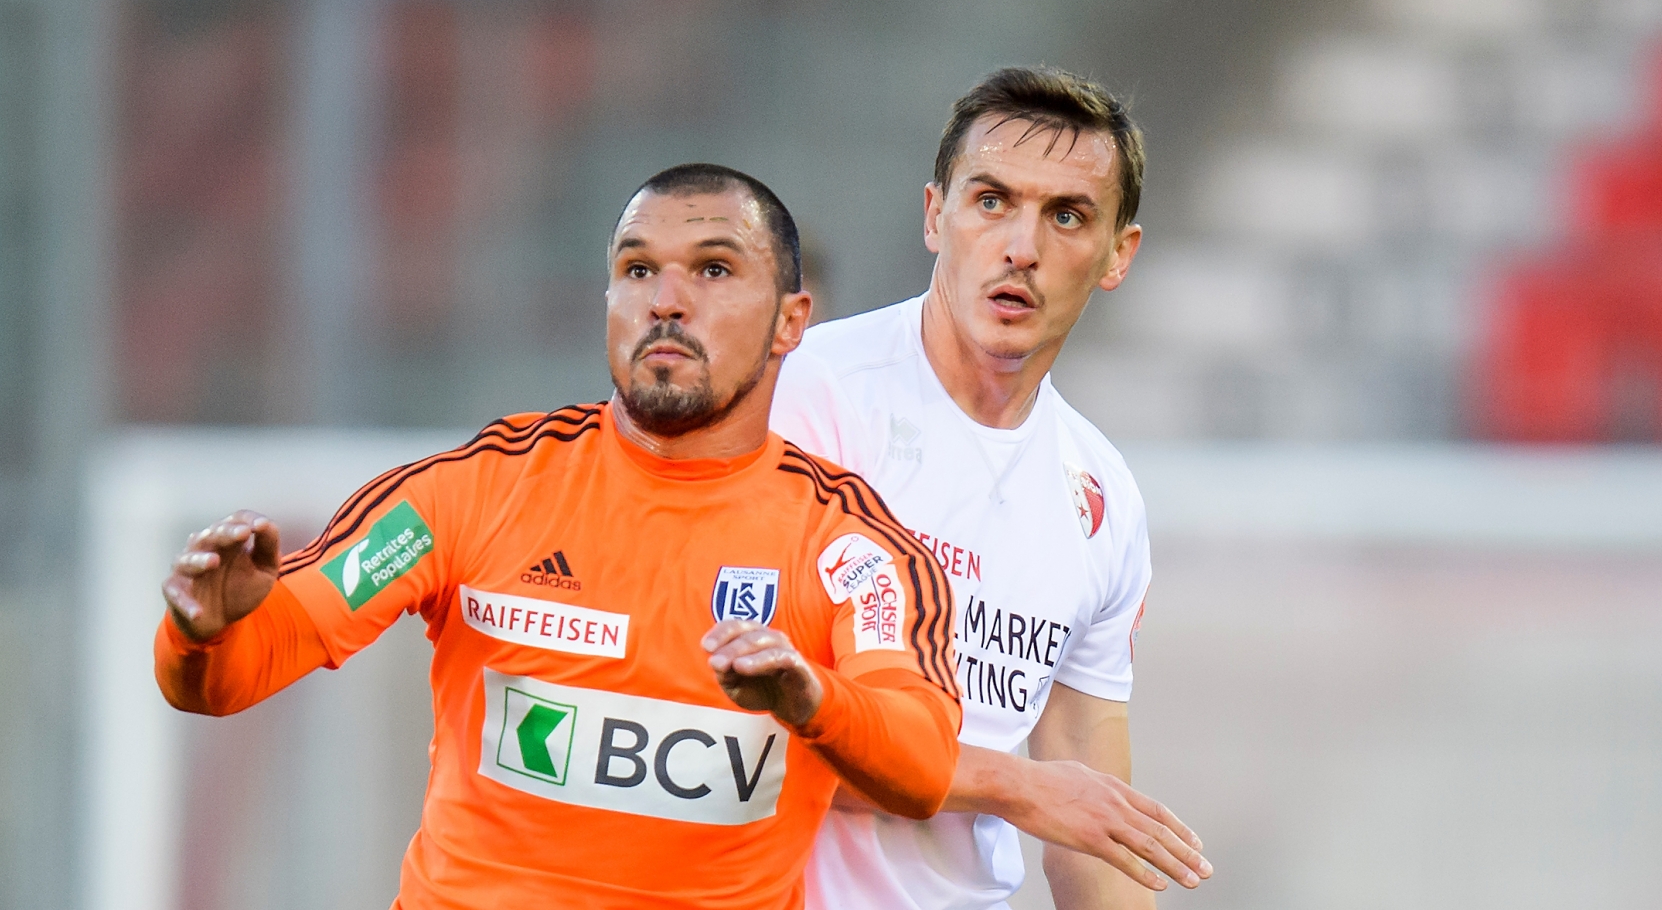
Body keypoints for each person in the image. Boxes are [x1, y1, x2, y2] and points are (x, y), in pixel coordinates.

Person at [155, 163, 963, 910]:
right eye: (638, 269)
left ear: (792, 321)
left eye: (714, 269)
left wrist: (812, 699)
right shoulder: (480, 488)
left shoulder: (849, 547)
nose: (666, 300)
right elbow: (242, 665)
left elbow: (922, 763)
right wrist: (202, 632)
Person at [769, 67, 1213, 909]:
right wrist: (1017, 787)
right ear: (936, 215)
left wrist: (1046, 799)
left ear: (1119, 254)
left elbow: (1091, 836)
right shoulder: (807, 398)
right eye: (991, 201)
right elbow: (754, 728)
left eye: (1068, 215)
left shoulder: (1103, 498)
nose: (1022, 246)